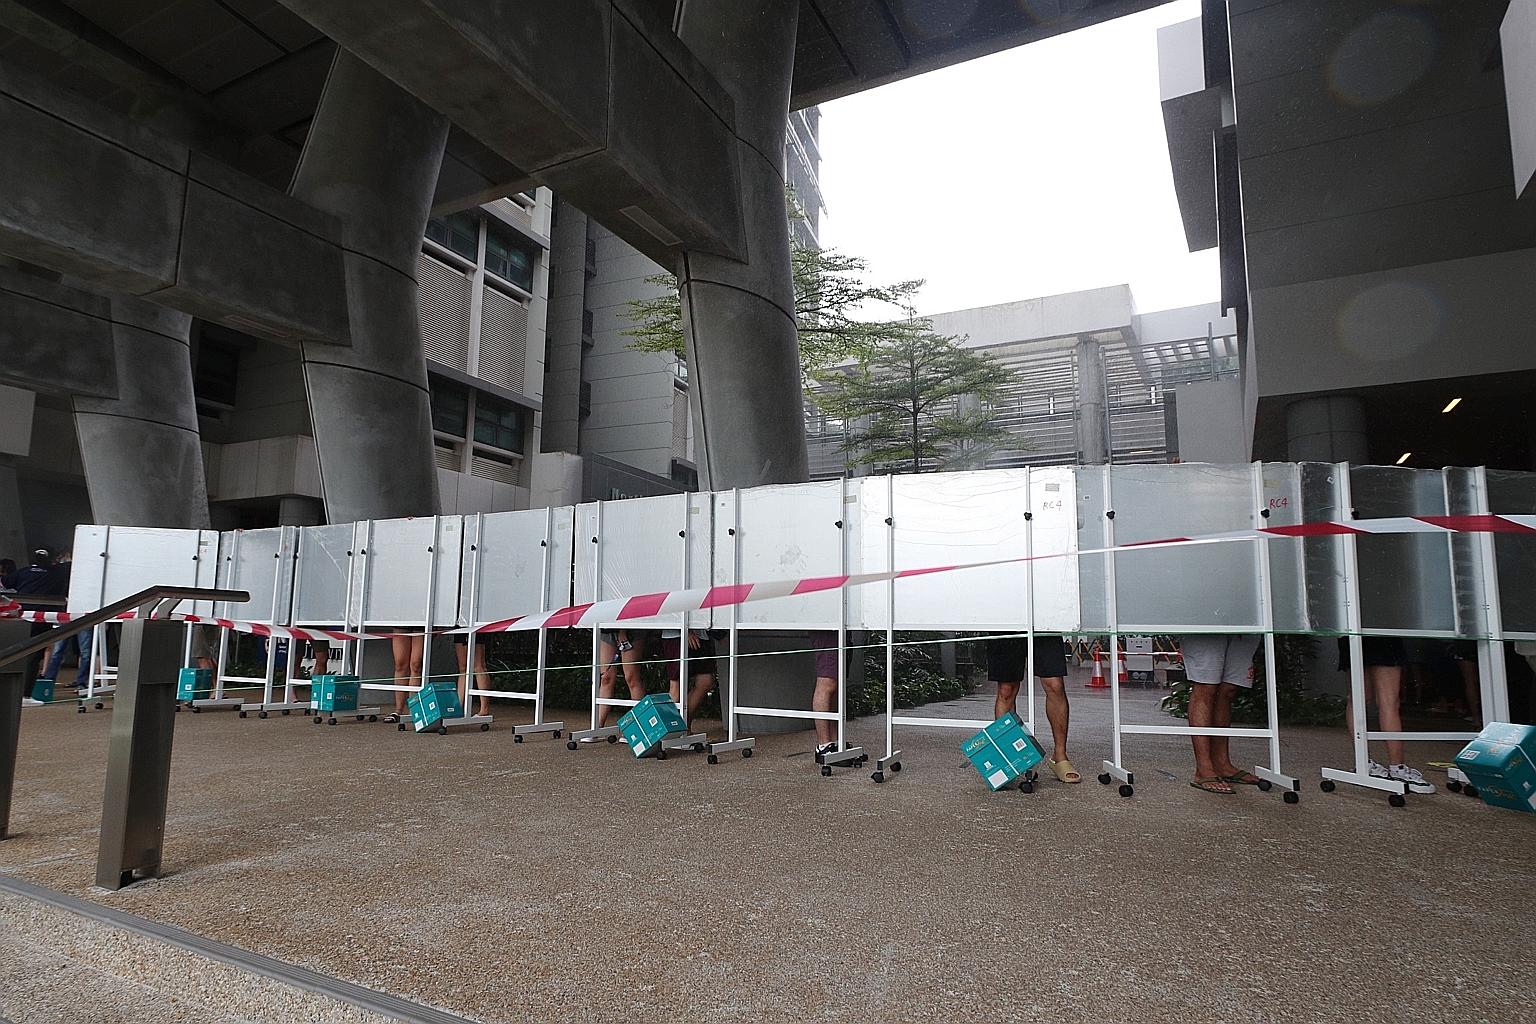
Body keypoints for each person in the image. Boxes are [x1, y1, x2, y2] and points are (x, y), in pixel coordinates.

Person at [1338, 636, 1435, 794]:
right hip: (1379, 629)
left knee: (1362, 699)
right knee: (1384, 701)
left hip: (1358, 629)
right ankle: (1396, 768)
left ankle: (1367, 763)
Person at [988, 633, 1079, 783]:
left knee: (1055, 684)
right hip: (1006, 621)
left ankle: (1060, 755)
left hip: (1043, 620)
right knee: (1006, 689)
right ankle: (1009, 758)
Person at [1181, 634, 1264, 795]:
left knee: (1229, 689)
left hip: (1244, 617)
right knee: (1206, 685)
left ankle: (1222, 764)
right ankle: (1203, 768)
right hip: (1204, 618)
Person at [587, 629, 646, 740]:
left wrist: (623, 631)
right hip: (607, 629)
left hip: (631, 629)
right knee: (606, 677)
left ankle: (638, 727)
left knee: (632, 678)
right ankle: (598, 727)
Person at [661, 627, 717, 728]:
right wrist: (686, 631)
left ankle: (682, 725)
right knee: (676, 686)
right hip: (676, 635)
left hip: (701, 632)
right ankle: (668, 729)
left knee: (705, 681)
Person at [810, 630, 842, 758]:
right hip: (827, 626)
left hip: (839, 627)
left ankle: (833, 742)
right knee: (827, 681)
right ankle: (823, 744)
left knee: (835, 683)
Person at [454, 632, 494, 719]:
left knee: (478, 665)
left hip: (476, 626)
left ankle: (484, 709)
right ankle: (459, 707)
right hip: (460, 625)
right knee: (463, 667)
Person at [387, 633, 423, 724]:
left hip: (421, 625)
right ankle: (398, 710)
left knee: (416, 664)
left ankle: (413, 710)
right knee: (400, 664)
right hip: (402, 623)